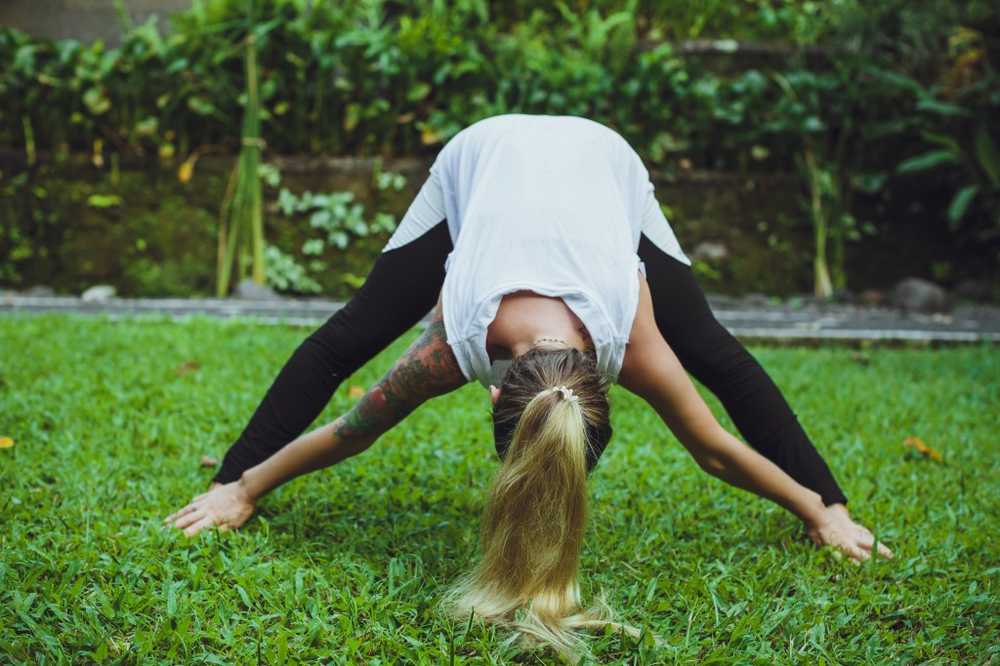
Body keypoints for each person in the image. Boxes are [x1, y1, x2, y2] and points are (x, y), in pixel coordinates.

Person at [165, 113, 893, 661]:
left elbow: (715, 445)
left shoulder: (631, 330)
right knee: (350, 333)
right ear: (492, 392)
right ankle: (226, 476)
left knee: (715, 351)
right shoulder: (454, 343)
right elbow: (352, 423)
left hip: (603, 165)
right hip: (487, 155)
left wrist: (824, 507)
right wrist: (241, 485)